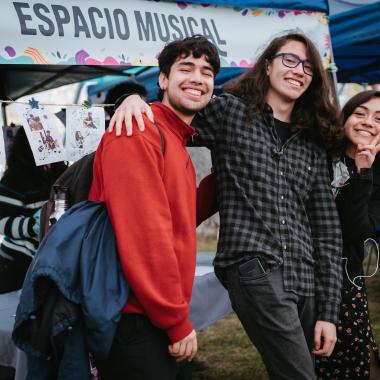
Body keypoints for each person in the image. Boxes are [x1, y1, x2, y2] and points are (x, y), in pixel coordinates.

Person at [110, 32, 343, 380]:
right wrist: (131, 100)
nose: (299, 70)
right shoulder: (230, 113)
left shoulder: (311, 141)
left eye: (309, 66)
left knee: (307, 370)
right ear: (267, 65)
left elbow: (327, 230)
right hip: (255, 267)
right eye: (289, 60)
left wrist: (328, 311)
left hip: (304, 274)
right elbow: (174, 112)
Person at [88, 35, 220, 380]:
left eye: (207, 72)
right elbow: (144, 235)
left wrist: (229, 176)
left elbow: (179, 217)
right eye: (186, 67)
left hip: (151, 315)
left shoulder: (175, 138)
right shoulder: (138, 129)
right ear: (162, 79)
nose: (197, 78)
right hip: (132, 316)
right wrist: (175, 321)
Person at [315, 90, 380, 379]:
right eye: (360, 113)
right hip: (302, 267)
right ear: (345, 118)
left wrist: (363, 172)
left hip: (345, 277)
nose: (368, 122)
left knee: (349, 358)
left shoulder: (375, 175)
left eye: (378, 118)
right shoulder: (318, 155)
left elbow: (358, 232)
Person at [0, 127, 66, 293]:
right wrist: (33, 225)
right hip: (16, 264)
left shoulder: (62, 173)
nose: (48, 142)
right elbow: (1, 222)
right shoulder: (14, 178)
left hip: (52, 262)